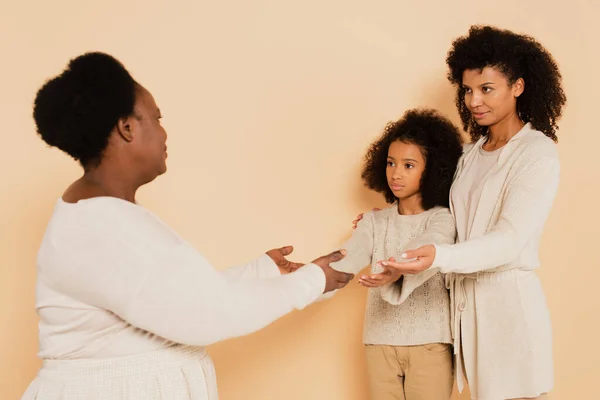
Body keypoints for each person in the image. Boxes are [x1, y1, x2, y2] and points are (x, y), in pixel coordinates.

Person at [21, 52, 354, 400]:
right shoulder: (100, 227)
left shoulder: (103, 214)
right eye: (157, 117)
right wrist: (311, 281)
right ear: (127, 127)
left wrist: (262, 273)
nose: (164, 132)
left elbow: (172, 298)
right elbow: (205, 316)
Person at [354, 25, 566, 400]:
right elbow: (436, 206)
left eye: (487, 89)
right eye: (467, 89)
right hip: (464, 316)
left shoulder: (536, 153)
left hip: (509, 311)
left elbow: (510, 239)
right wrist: (387, 218)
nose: (473, 101)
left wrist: (440, 256)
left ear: (517, 86)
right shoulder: (469, 156)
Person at [325, 109, 463, 400]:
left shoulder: (442, 219)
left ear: (433, 169)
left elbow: (430, 243)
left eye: (409, 165)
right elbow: (349, 255)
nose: (396, 173)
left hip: (430, 344)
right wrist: (308, 274)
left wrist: (397, 268)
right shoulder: (374, 222)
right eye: (390, 163)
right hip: (379, 342)